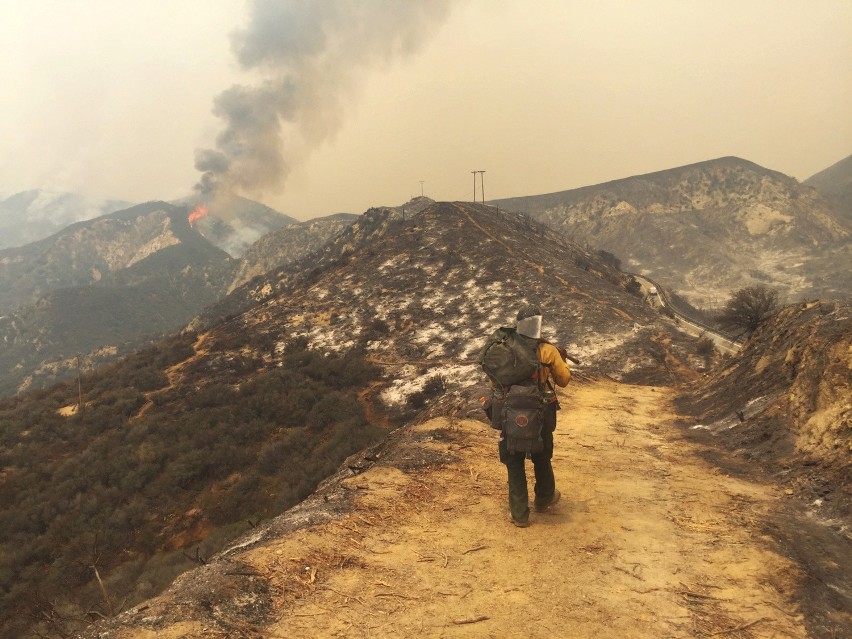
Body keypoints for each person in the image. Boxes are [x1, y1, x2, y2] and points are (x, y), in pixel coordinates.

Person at [498, 305, 571, 527]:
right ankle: (544, 498)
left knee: (513, 458)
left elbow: (494, 381)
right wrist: (561, 360)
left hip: (510, 411)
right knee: (542, 453)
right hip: (539, 410)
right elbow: (564, 380)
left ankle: (519, 513)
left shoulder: (505, 348)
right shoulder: (547, 351)